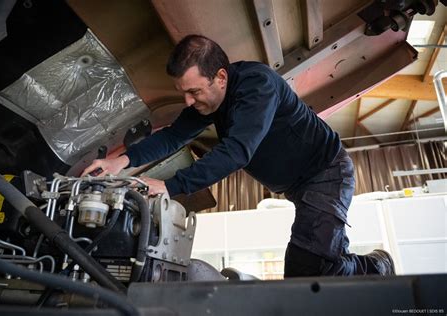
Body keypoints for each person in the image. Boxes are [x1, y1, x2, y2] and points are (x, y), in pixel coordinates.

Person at [82, 34, 395, 277]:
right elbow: (174, 135)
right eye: (183, 93)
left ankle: (376, 267)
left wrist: (169, 186)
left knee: (307, 269)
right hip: (298, 185)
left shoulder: (258, 87)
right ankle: (343, 259)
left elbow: (236, 152)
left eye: (194, 91)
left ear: (220, 77)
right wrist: (120, 161)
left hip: (326, 172)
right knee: (317, 264)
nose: (188, 101)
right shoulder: (211, 99)